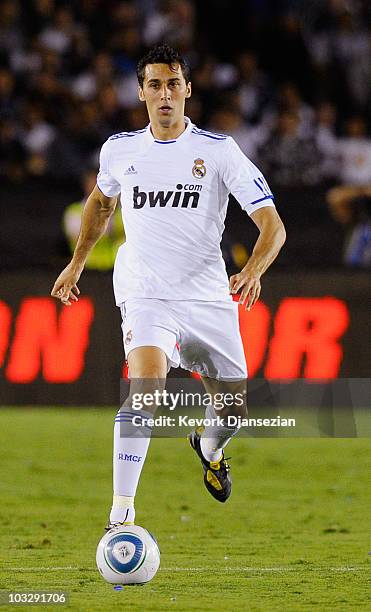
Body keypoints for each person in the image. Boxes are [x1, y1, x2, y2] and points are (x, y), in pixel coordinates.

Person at [51, 45, 286, 529]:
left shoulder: (219, 152)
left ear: (188, 90)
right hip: (145, 290)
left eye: (173, 83)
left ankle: (208, 447)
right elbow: (100, 204)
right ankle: (121, 515)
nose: (165, 94)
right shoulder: (120, 149)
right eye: (154, 85)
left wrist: (255, 269)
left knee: (234, 407)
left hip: (205, 294)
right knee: (147, 390)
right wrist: (76, 263)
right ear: (140, 92)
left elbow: (273, 226)